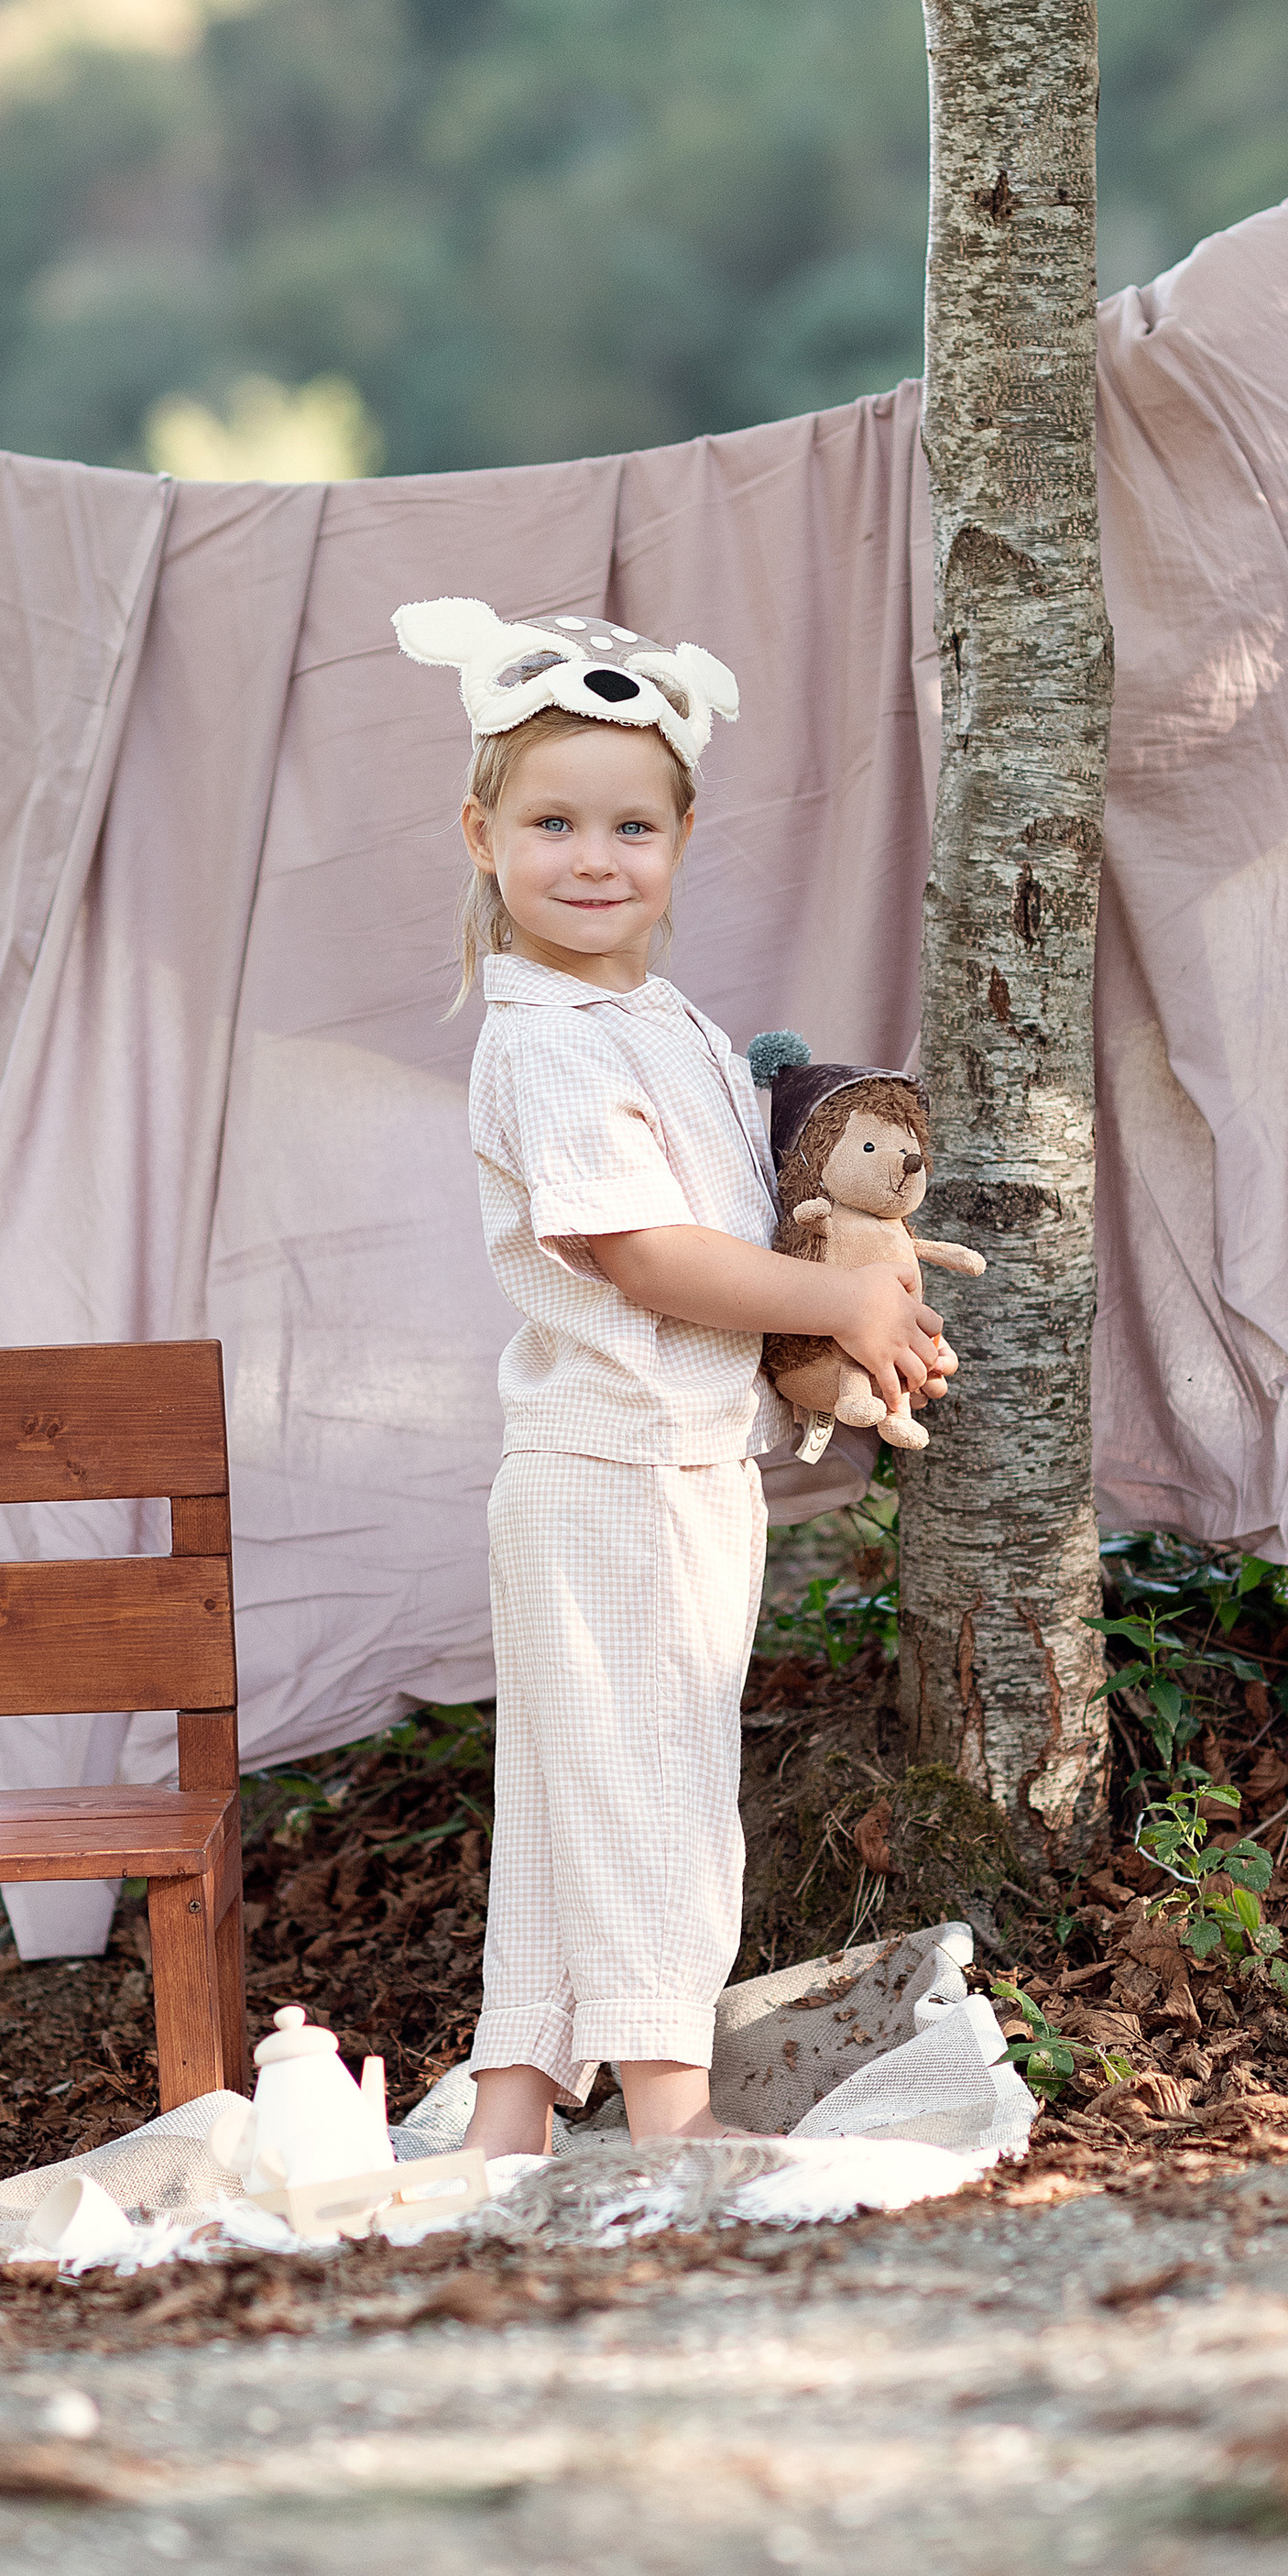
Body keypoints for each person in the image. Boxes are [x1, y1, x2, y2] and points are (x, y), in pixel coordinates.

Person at [391, 600, 952, 2156]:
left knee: (589, 1791)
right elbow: (647, 1256)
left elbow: (749, 1213)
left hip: (668, 1463)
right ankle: (666, 2110)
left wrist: (858, 1269)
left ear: (684, 838)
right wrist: (837, 1298)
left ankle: (512, 2106)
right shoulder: (549, 1040)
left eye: (631, 825)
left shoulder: (661, 1024)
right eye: (552, 821)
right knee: (654, 1800)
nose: (593, 856)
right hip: (617, 1468)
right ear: (481, 834)